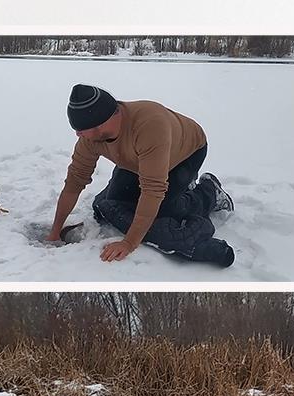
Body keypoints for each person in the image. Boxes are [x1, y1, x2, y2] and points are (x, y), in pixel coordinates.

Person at [47, 84, 235, 268]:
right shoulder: (88, 139)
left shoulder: (149, 125)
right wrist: (55, 232)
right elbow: (74, 183)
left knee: (164, 211)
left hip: (184, 153)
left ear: (100, 123)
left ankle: (209, 192)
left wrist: (129, 243)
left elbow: (153, 190)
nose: (77, 133)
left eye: (81, 128)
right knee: (114, 202)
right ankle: (182, 186)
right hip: (137, 160)